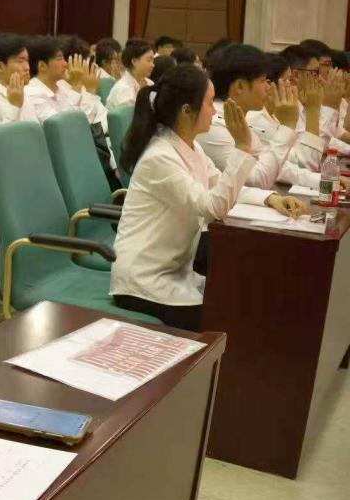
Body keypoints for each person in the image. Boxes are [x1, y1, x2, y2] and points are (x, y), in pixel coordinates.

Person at [112, 64, 305, 331]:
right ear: (186, 111)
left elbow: (222, 186)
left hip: (176, 271)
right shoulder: (159, 157)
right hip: (142, 281)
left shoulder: (191, 147)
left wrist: (270, 198)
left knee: (241, 297)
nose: (215, 111)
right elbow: (214, 207)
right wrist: (242, 147)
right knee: (227, 317)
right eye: (209, 102)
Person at [197, 44, 301, 189]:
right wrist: (287, 127)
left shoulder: (238, 118)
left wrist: (320, 180)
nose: (268, 87)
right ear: (240, 86)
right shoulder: (213, 125)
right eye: (263, 80)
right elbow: (256, 181)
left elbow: (278, 168)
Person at [106, 39, 155, 109]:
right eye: (149, 60)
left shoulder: (150, 83)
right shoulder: (123, 89)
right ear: (134, 61)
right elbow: (132, 115)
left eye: (153, 61)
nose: (153, 65)